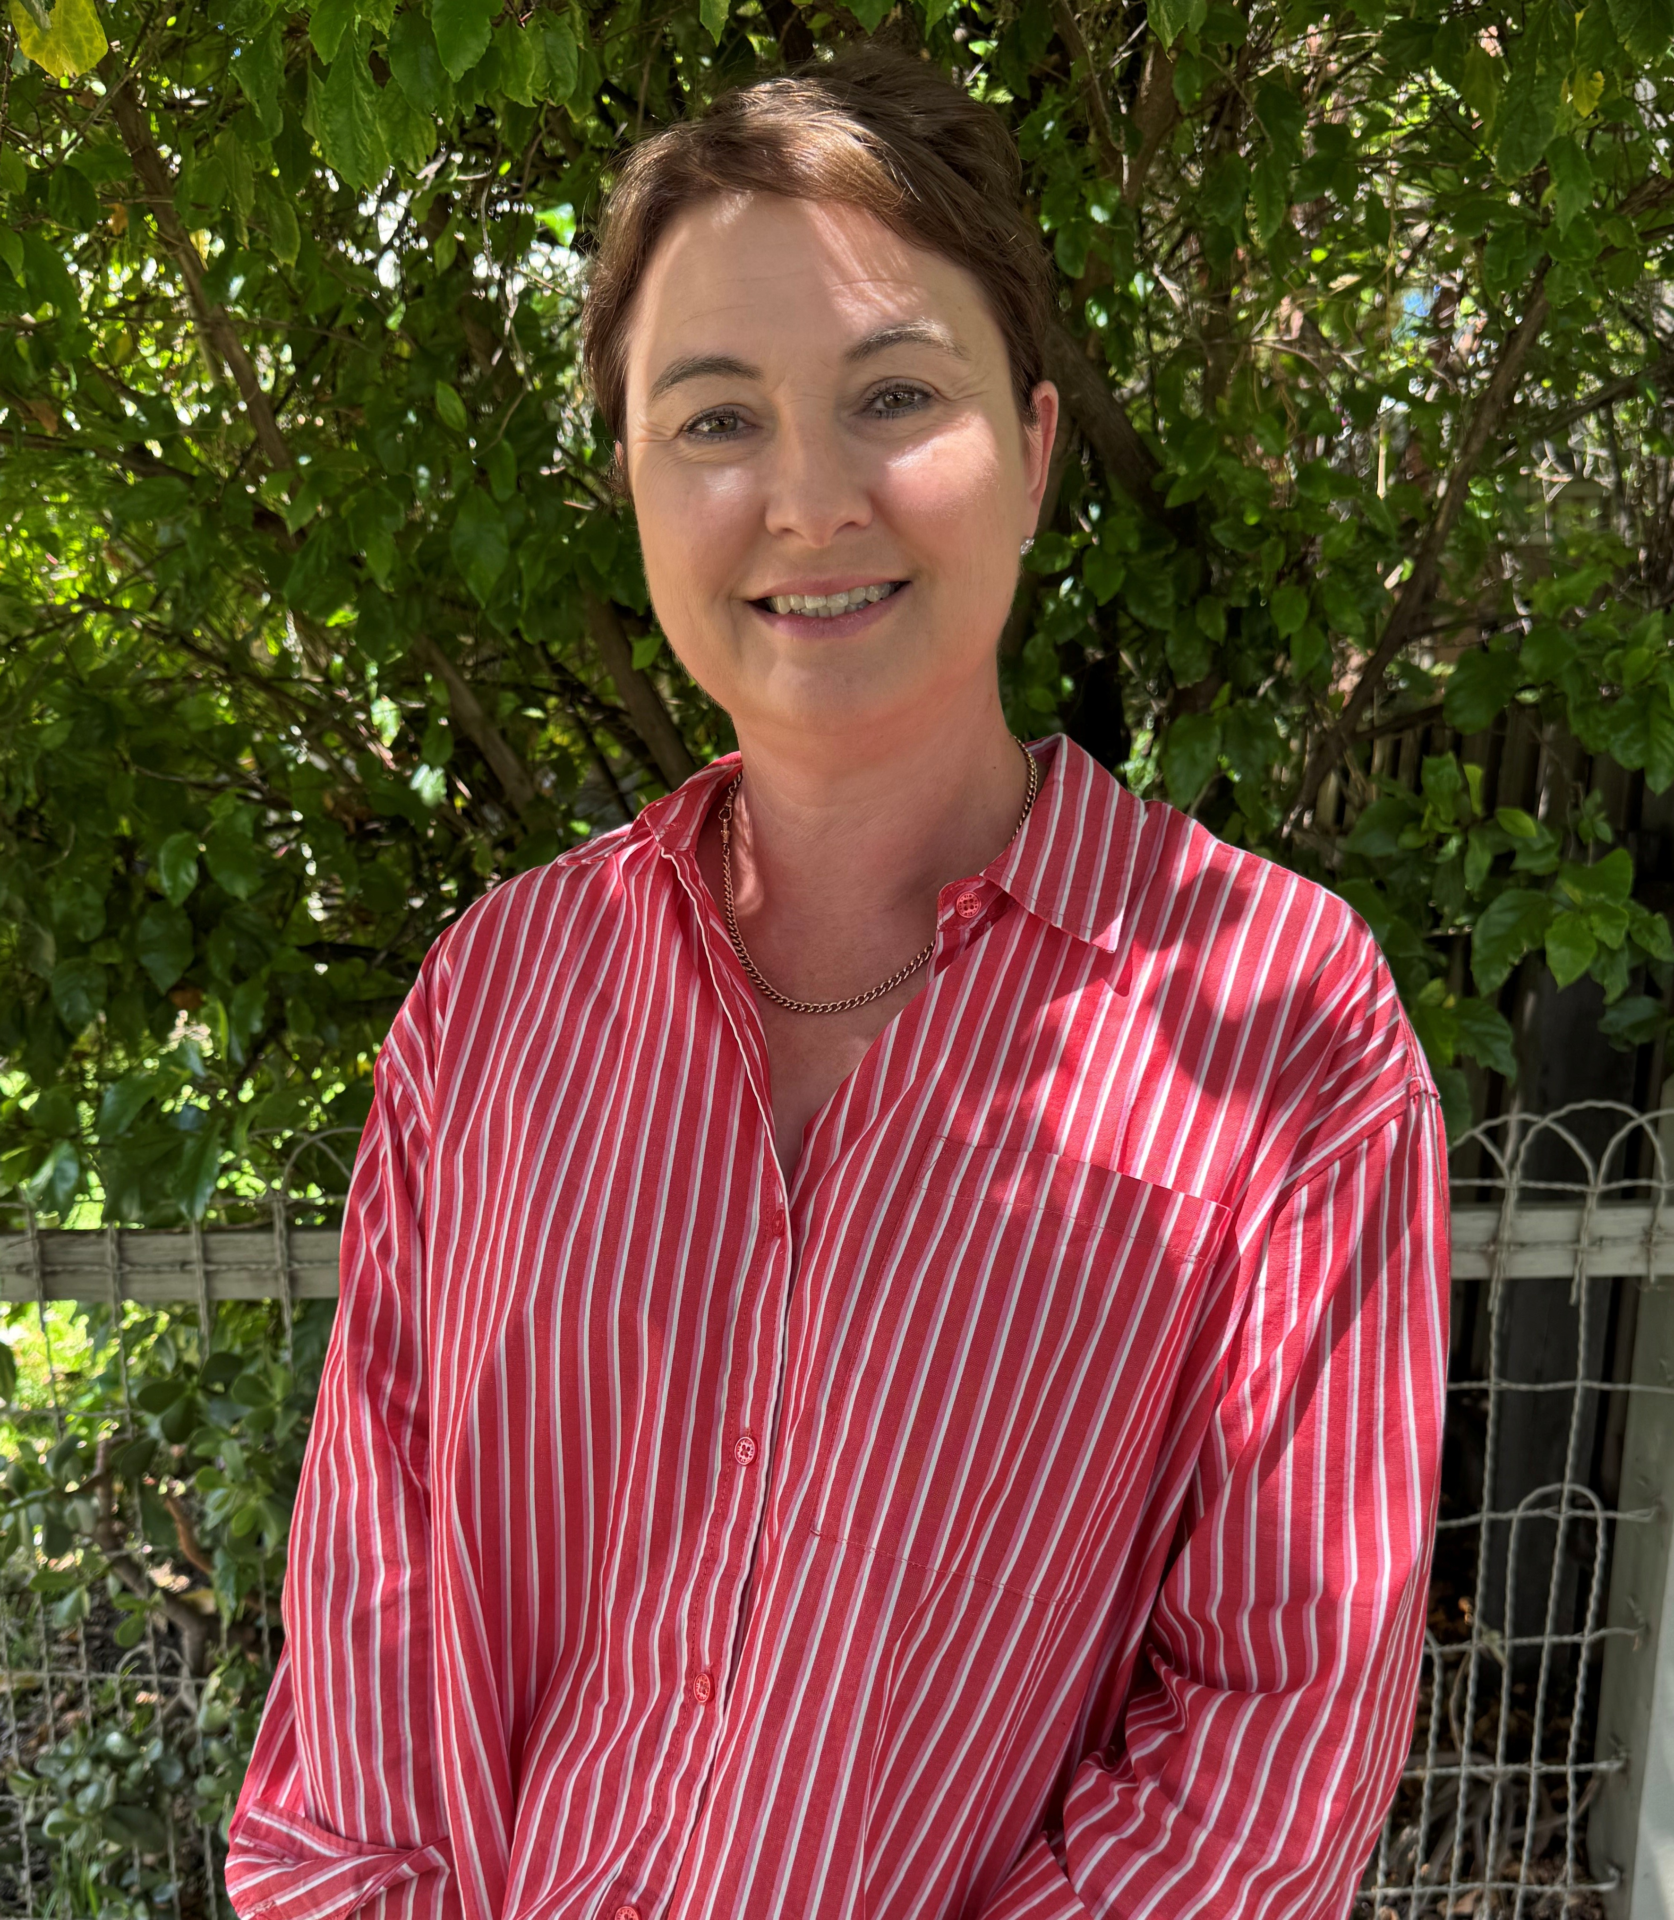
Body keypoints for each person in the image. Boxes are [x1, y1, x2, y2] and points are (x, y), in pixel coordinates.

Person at [225, 45, 1449, 1920]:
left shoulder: (1282, 1025)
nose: (808, 500)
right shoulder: (494, 1006)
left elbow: (1266, 1758)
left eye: (894, 395)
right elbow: (361, 1676)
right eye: (715, 419)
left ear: (1033, 451)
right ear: (633, 487)